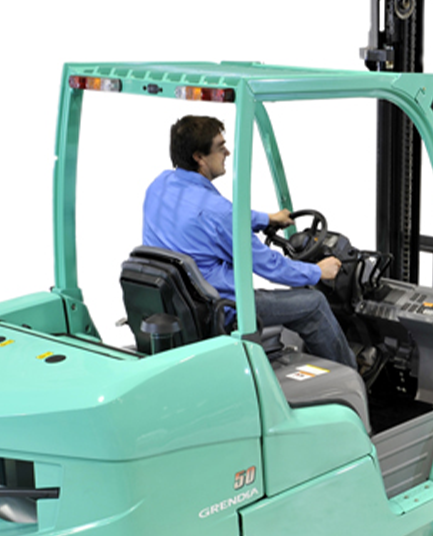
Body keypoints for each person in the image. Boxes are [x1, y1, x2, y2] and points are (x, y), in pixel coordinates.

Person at [142, 115, 357, 369]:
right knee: (315, 304)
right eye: (220, 147)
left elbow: (220, 218)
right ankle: (353, 380)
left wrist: (267, 219)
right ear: (199, 157)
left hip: (182, 302)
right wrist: (317, 271)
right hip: (222, 308)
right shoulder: (217, 212)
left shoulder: (160, 186)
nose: (227, 152)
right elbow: (269, 265)